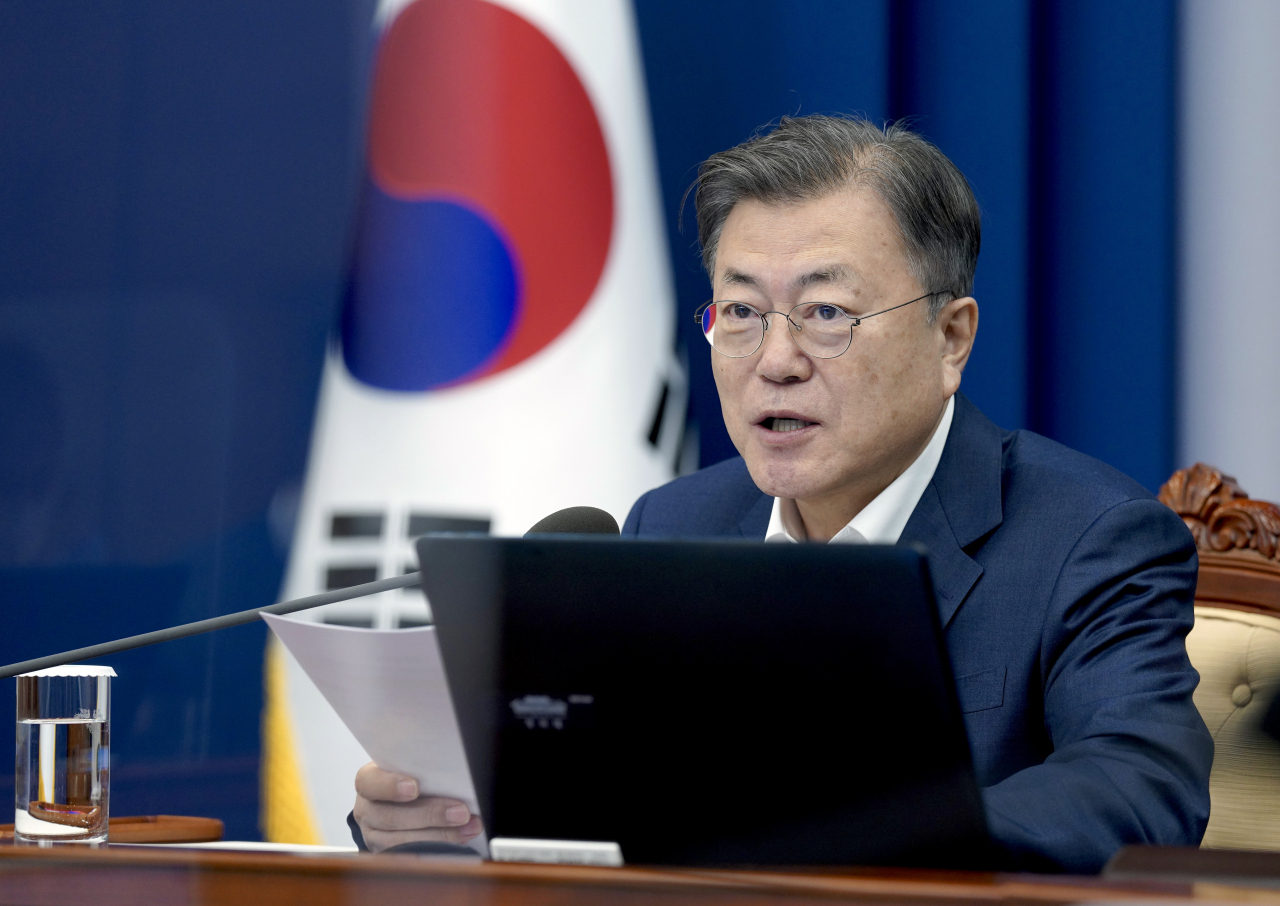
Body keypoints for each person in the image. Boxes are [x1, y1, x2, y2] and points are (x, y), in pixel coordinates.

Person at [350, 115, 1213, 872]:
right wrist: (440, 814)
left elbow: (1138, 788)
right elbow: (587, 796)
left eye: (827, 313)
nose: (776, 359)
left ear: (951, 339)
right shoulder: (673, 526)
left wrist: (862, 830)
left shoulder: (1088, 539)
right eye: (740, 312)